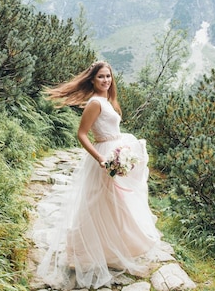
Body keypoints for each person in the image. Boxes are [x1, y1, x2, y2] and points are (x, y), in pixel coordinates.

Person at [36, 61, 161, 289]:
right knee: (96, 203)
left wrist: (121, 154)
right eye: (101, 77)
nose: (106, 80)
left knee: (113, 204)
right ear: (92, 79)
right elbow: (82, 134)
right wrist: (101, 159)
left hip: (116, 152)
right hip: (104, 156)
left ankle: (113, 247)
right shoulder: (94, 103)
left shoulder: (107, 100)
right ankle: (82, 253)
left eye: (108, 76)